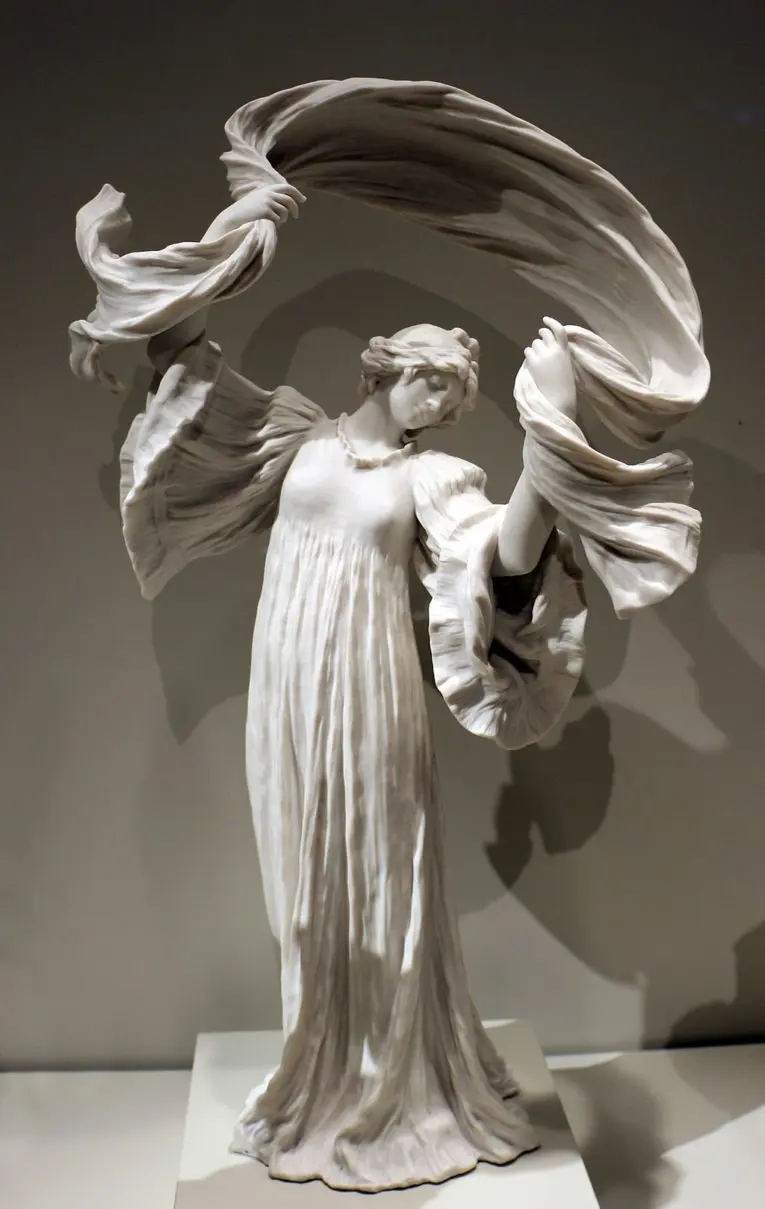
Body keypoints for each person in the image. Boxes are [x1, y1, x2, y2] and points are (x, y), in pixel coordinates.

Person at [120, 182, 590, 1190]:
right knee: (299, 888)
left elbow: (506, 559)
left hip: (372, 690)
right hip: (287, 677)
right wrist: (249, 223)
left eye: (452, 400)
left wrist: (549, 431)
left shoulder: (432, 479)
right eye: (432, 385)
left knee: (380, 877)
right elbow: (181, 354)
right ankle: (323, 1062)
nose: (440, 406)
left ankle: (390, 1080)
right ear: (388, 367)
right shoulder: (293, 434)